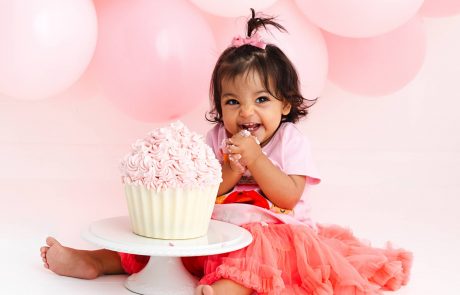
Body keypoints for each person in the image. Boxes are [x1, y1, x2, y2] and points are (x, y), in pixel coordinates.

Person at [40, 9, 412, 295]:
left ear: (285, 105)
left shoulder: (290, 141)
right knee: (165, 243)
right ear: (219, 106)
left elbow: (287, 195)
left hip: (274, 231)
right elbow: (208, 194)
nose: (246, 113)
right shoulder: (217, 137)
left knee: (257, 253)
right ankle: (95, 261)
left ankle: (227, 288)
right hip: (215, 229)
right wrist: (229, 167)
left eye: (261, 100)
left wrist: (255, 159)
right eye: (233, 101)